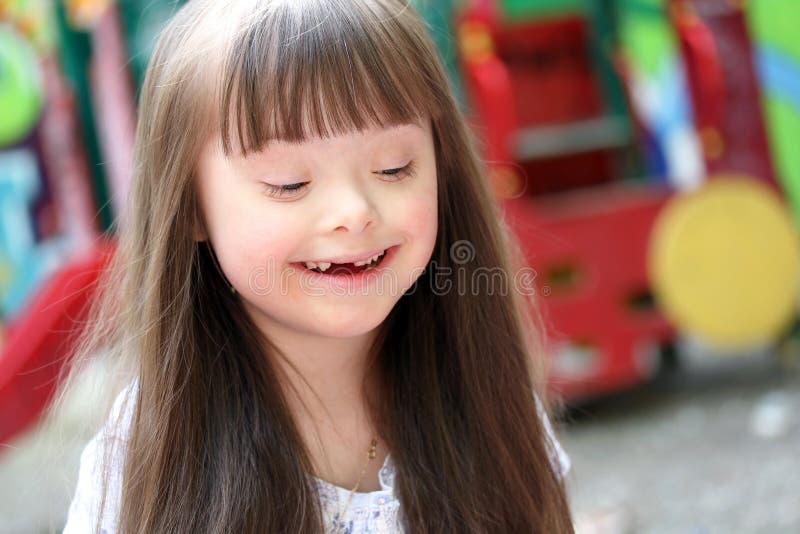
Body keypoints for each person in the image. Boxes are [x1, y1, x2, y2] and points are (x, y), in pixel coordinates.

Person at [61, 0, 574, 532]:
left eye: (394, 168)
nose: (354, 212)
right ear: (190, 205)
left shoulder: (487, 402)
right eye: (290, 183)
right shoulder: (145, 457)